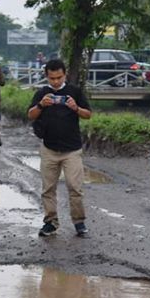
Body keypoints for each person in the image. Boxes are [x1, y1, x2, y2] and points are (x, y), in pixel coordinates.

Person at [27, 59, 92, 237]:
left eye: (59, 77)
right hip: (49, 148)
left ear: (65, 75)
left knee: (75, 187)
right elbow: (31, 115)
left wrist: (75, 107)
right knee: (48, 188)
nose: (55, 81)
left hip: (72, 149)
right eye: (52, 78)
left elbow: (88, 114)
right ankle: (50, 222)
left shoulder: (74, 91)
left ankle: (79, 222)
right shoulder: (42, 93)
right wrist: (41, 104)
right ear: (46, 76)